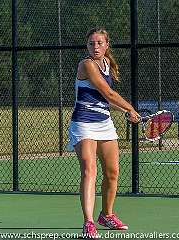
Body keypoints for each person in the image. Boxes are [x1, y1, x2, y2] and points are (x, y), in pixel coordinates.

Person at [67, 27, 140, 238]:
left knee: (112, 172)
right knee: (90, 170)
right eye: (91, 43)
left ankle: (106, 215)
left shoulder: (108, 64)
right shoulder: (86, 65)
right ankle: (88, 222)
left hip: (104, 123)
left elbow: (105, 100)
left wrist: (124, 112)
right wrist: (130, 109)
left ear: (107, 45)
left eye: (99, 43)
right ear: (87, 46)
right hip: (83, 123)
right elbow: (108, 92)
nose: (95, 47)